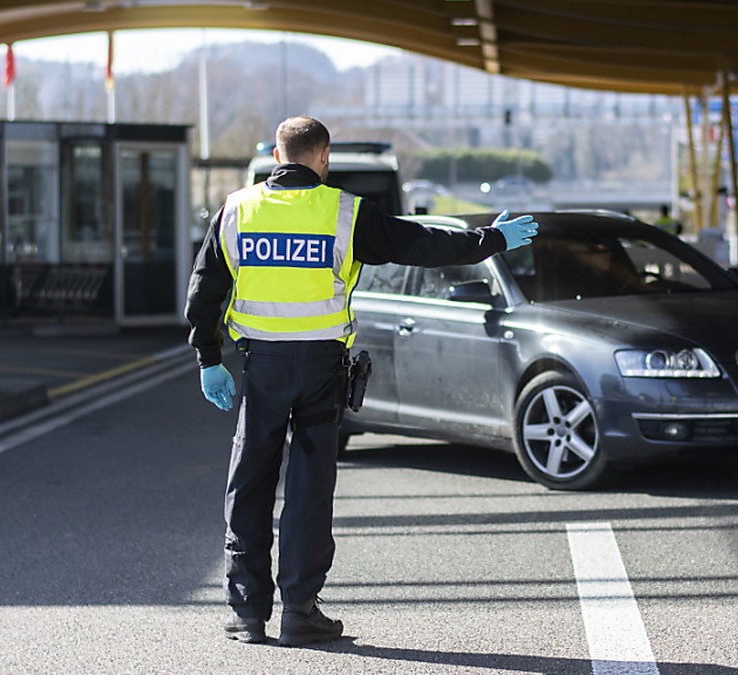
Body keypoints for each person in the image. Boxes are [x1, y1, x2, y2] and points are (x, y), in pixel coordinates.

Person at [184, 116, 537, 648]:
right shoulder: (345, 212)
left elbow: (205, 289)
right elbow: (420, 243)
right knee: (309, 489)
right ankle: (299, 612)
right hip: (321, 368)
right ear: (323, 157)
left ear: (277, 157)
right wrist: (491, 240)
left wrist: (208, 358)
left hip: (263, 368)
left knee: (250, 483)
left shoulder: (236, 209)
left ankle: (246, 613)